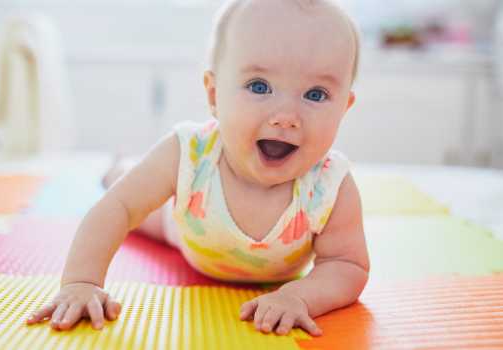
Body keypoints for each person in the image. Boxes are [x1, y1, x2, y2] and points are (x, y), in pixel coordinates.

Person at [27, 0, 369, 337]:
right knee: (140, 205)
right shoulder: (189, 154)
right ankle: (118, 170)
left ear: (345, 107)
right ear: (214, 95)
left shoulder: (330, 184)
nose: (286, 116)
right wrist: (81, 282)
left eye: (316, 94)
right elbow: (118, 208)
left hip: (233, 249)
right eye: (259, 87)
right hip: (186, 223)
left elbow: (346, 265)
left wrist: (299, 297)